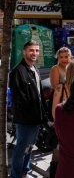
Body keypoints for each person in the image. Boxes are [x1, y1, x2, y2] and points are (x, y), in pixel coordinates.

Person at [9, 41, 47, 178]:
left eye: (37, 50)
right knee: (21, 149)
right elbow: (20, 98)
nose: (34, 53)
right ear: (24, 51)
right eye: (31, 50)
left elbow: (39, 94)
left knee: (30, 147)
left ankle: (25, 170)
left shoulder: (34, 69)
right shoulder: (17, 71)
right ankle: (16, 175)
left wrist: (43, 114)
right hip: (26, 120)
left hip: (36, 118)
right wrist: (32, 116)